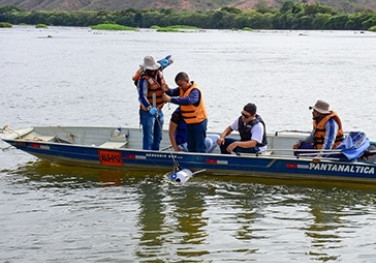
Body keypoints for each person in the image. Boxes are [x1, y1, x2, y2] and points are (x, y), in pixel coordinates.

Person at [162, 72, 208, 153]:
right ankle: (192, 164)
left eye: (182, 85)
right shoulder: (181, 89)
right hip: (189, 123)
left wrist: (170, 100)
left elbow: (189, 100)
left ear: (187, 81)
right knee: (191, 146)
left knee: (199, 147)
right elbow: (172, 92)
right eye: (178, 85)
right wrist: (167, 90)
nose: (180, 87)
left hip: (199, 123)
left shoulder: (195, 91)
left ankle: (199, 164)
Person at [136, 55, 169, 150]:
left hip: (159, 110)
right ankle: (147, 156)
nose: (153, 71)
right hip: (147, 112)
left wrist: (165, 60)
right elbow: (142, 97)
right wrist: (150, 108)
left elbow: (171, 59)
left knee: (158, 137)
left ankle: (156, 153)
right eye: (151, 69)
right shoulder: (143, 80)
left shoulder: (159, 73)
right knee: (148, 137)